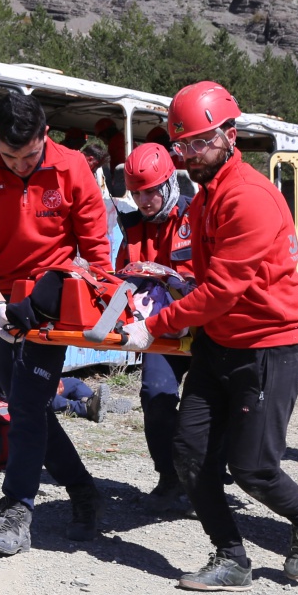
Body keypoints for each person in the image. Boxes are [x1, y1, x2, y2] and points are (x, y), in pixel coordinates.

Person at [123, 81, 298, 590]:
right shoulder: (205, 198)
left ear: (229, 135)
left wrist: (153, 327)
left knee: (252, 469)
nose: (189, 154)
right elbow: (200, 275)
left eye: (200, 142)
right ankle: (231, 558)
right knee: (190, 455)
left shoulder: (249, 198)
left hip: (267, 346)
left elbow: (220, 291)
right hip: (218, 343)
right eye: (182, 145)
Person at [0, 91, 112, 556]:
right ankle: (84, 493)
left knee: (25, 404)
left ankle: (16, 511)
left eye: (29, 156)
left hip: (51, 305)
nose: (20, 166)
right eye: (9, 156)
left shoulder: (72, 168)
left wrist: (94, 302)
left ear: (46, 135)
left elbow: (96, 251)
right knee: (28, 405)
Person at [116, 142, 194, 514]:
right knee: (156, 396)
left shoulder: (201, 215)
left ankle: (204, 474)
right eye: (136, 193)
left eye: (151, 191)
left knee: (209, 409)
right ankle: (170, 477)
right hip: (162, 332)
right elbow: (119, 277)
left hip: (207, 329)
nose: (144, 200)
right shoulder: (132, 227)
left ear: (170, 183)